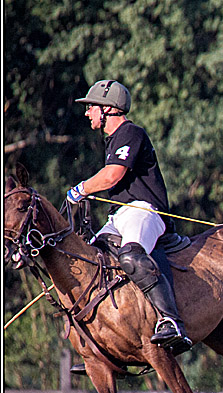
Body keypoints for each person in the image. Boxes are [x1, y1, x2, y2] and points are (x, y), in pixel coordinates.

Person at [66, 79, 191, 354]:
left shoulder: (131, 133)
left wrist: (81, 189)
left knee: (131, 256)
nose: (87, 113)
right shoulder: (112, 140)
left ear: (109, 109)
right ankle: (98, 346)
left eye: (91, 107)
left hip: (144, 211)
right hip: (119, 215)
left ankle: (171, 321)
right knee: (88, 259)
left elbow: (113, 175)